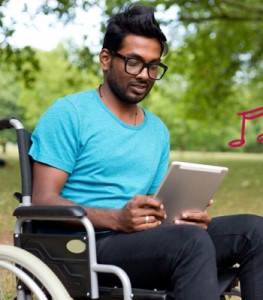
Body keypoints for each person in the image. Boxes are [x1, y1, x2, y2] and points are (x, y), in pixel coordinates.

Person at [29, 4, 263, 300]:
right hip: (84, 247)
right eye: (134, 62)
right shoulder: (69, 113)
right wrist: (116, 218)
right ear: (105, 58)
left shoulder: (157, 130)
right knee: (190, 243)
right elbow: (44, 201)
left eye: (153, 66)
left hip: (141, 241)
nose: (144, 75)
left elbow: (156, 208)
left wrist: (186, 217)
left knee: (253, 231)